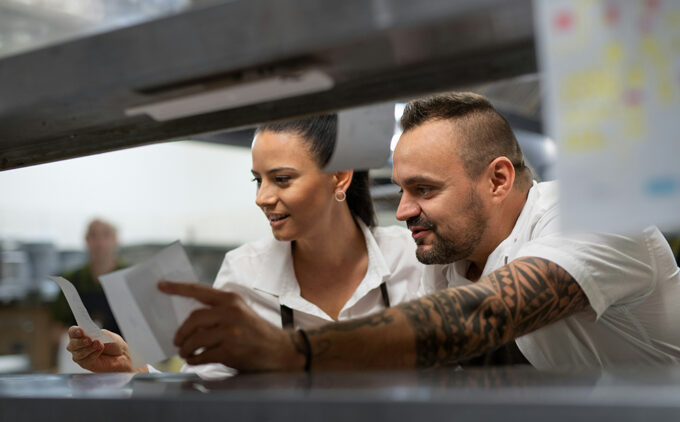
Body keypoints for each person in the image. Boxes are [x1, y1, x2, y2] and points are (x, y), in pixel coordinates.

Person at [157, 92, 680, 372]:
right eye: (402, 190)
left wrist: (292, 352)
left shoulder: (594, 211)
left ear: (498, 180)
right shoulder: (451, 261)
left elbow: (485, 314)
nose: (403, 211)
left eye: (424, 190)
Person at [65, 114, 423, 376]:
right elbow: (203, 392)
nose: (262, 198)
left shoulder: (412, 259)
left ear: (340, 177)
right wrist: (133, 369)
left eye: (281, 179)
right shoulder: (244, 272)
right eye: (258, 180)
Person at [51, 219, 124, 333]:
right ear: (86, 240)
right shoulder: (71, 280)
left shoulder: (129, 278)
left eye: (106, 235)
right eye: (94, 235)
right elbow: (57, 327)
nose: (100, 242)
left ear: (116, 239)